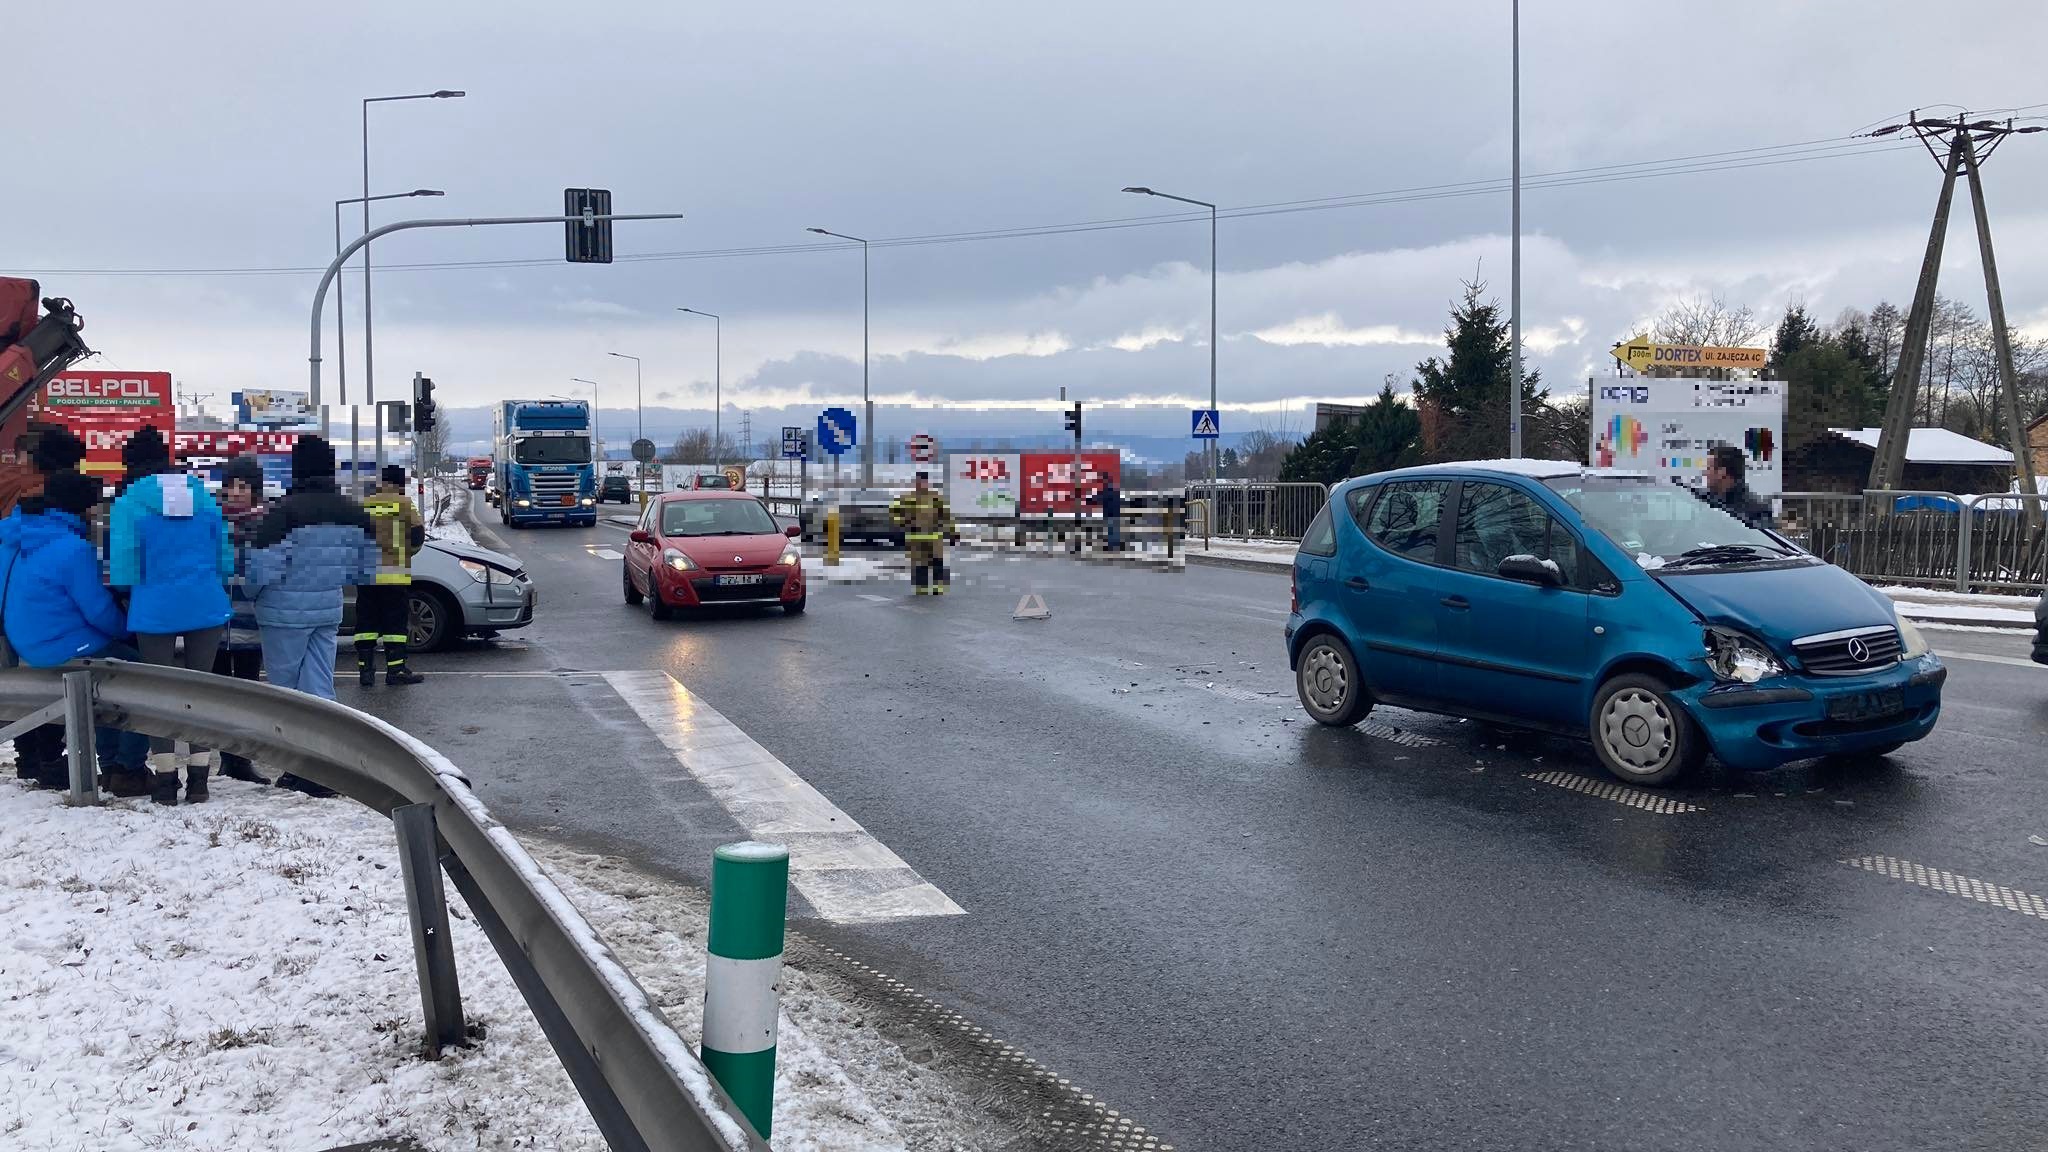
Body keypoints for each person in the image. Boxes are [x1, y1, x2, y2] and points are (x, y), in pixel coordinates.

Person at [109, 426, 233, 804]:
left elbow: (124, 567)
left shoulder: (129, 503)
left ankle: (165, 779)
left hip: (155, 606)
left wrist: (131, 594)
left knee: (158, 692)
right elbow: (224, 559)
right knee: (200, 689)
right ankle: (199, 778)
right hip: (205, 602)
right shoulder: (205, 498)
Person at [2, 471, 137, 791]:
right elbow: (99, 610)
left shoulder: (26, 538)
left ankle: (109, 762)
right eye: (94, 505)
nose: (97, 512)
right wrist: (125, 630)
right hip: (63, 647)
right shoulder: (72, 548)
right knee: (136, 673)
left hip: (27, 644)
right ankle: (128, 767)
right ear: (80, 508)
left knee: (106, 675)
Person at [245, 435, 379, 713]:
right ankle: (321, 746)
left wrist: (252, 597)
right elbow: (365, 569)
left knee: (285, 691)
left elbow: (259, 572)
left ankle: (291, 749)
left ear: (296, 469)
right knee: (320, 689)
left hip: (282, 614)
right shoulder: (354, 513)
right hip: (328, 610)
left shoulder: (280, 513)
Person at [3, 427, 86, 785]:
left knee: (20, 682)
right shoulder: (48, 492)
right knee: (46, 681)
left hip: (6, 591)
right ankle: (49, 759)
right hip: (34, 598)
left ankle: (29, 757)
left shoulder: (11, 482)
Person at [212, 455, 270, 784]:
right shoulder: (212, 520)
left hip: (250, 621)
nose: (236, 492)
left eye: (243, 486)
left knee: (248, 696)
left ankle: (243, 760)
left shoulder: (266, 523)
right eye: (231, 485)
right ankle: (225, 758)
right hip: (216, 624)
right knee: (219, 695)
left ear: (255, 489)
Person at [357, 464, 425, 686]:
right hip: (393, 573)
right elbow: (417, 535)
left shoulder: (364, 503)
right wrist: (407, 554)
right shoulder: (403, 503)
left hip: (366, 573)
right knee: (394, 624)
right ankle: (395, 671)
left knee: (366, 622)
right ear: (399, 482)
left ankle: (366, 671)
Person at [889, 471, 955, 595]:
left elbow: (947, 516)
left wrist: (952, 532)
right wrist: (903, 523)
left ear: (927, 482)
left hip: (934, 538)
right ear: (915, 482)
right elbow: (894, 513)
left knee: (938, 562)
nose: (921, 484)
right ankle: (921, 588)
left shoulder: (935, 497)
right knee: (919, 564)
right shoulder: (906, 498)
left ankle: (938, 588)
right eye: (919, 481)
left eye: (923, 481)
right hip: (916, 538)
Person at [1701, 445, 1774, 530]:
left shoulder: (1756, 512)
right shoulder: (1704, 499)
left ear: (1722, 472)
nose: (1704, 473)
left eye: (1708, 468)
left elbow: (1762, 541)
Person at [1084, 474, 1123, 552]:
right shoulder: (1115, 492)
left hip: (1109, 513)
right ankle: (1116, 545)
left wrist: (1088, 499)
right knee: (1115, 529)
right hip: (1116, 512)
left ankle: (1111, 546)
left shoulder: (1106, 492)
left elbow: (1098, 498)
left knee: (1111, 530)